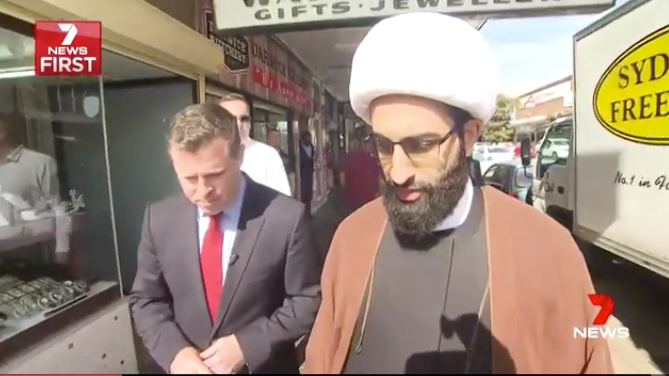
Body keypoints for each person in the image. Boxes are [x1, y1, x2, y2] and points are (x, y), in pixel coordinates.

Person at [302, 12, 613, 374]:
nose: (398, 172)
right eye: (384, 145)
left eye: (421, 145)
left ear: (468, 135)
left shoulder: (548, 250)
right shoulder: (352, 237)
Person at [129, 103, 321, 374]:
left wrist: (248, 345)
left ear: (240, 155)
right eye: (189, 178)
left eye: (215, 175)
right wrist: (177, 355)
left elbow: (307, 300)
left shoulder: (286, 218)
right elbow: (146, 300)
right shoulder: (159, 220)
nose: (202, 191)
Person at [218, 93, 292, 196]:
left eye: (244, 119)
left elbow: (283, 201)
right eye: (231, 119)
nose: (239, 125)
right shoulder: (207, 155)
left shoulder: (268, 156)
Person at [340, 133, 381, 215]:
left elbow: (342, 177)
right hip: (368, 198)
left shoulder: (349, 157)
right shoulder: (372, 160)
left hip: (351, 196)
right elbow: (378, 179)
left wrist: (346, 188)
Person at [298, 131, 315, 213]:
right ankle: (303, 212)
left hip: (309, 172)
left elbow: (312, 158)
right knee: (303, 193)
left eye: (310, 138)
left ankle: (308, 211)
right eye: (308, 138)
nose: (309, 140)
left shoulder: (311, 146)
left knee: (309, 193)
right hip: (302, 173)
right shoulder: (298, 147)